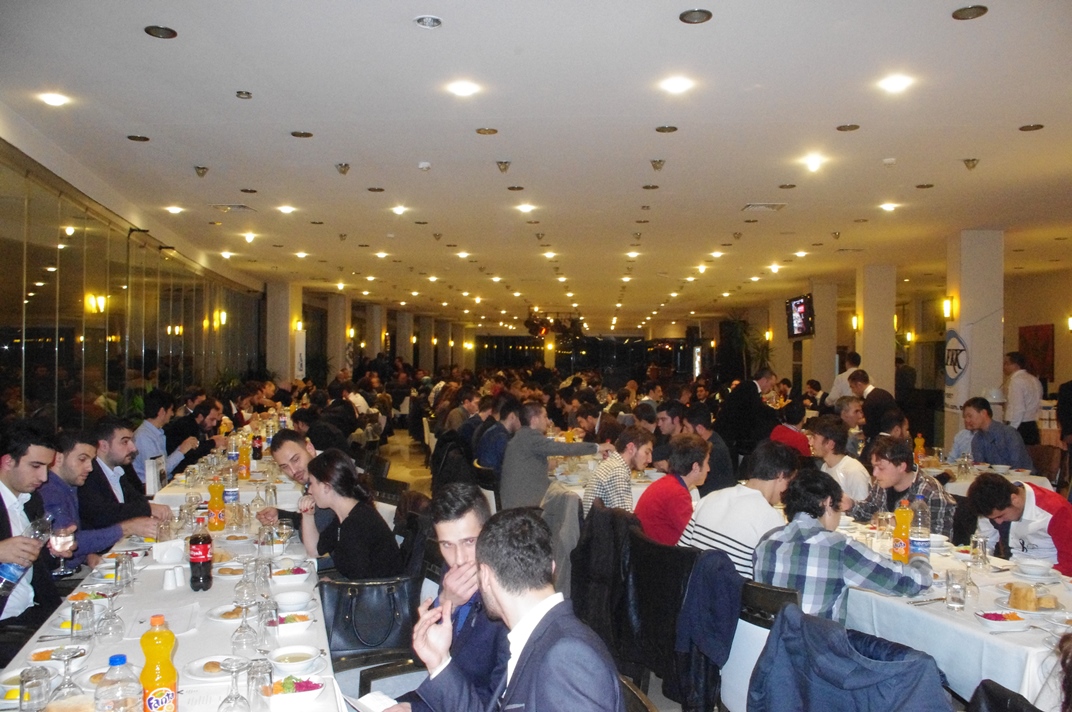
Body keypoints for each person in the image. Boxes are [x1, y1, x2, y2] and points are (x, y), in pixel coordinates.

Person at [401, 508, 624, 712]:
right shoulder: (537, 636)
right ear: (551, 567)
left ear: (484, 576)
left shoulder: (568, 656)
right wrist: (439, 662)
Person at [387, 483, 510, 712]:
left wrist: (416, 710)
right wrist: (446, 604)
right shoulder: (451, 573)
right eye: (447, 545)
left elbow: (494, 703)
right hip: (438, 694)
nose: (459, 559)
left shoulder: (508, 597)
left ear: (488, 534)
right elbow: (420, 655)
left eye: (469, 542)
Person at [753, 468, 931, 622]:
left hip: (771, 644)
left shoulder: (767, 541)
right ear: (827, 503)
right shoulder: (838, 547)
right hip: (816, 647)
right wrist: (919, 556)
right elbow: (913, 582)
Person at [39, 431, 158, 571]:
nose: (89, 468)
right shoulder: (50, 492)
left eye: (91, 461)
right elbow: (67, 541)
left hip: (80, 565)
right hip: (64, 576)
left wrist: (87, 555)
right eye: (82, 459)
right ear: (58, 459)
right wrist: (126, 528)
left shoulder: (70, 487)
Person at [0, 420, 67, 665]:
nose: (44, 477)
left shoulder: (31, 501)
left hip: (34, 609)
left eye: (47, 467)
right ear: (8, 461)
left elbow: (38, 566)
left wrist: (54, 550)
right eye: (36, 466)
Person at [679, 439, 794, 578]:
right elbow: (774, 576)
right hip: (732, 590)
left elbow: (681, 553)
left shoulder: (710, 498)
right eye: (789, 482)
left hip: (693, 587)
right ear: (781, 475)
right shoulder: (772, 520)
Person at [297, 448, 403, 580]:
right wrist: (308, 515)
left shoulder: (356, 523)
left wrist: (335, 585)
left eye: (311, 484)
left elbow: (362, 581)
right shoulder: (345, 515)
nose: (310, 491)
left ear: (326, 487)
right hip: (362, 588)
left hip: (378, 591)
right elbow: (314, 550)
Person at [500, 401, 611, 509]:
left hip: (515, 500)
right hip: (524, 507)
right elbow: (565, 448)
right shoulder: (531, 438)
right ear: (534, 420)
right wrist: (598, 447)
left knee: (561, 496)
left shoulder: (522, 435)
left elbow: (527, 464)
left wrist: (546, 464)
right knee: (567, 504)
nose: (548, 421)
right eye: (545, 417)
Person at [848, 436, 956, 538]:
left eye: (880, 468)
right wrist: (850, 505)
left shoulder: (930, 492)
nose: (874, 473)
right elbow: (868, 510)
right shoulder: (882, 483)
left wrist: (901, 526)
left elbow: (940, 537)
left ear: (901, 466)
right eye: (874, 467)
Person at [966, 472, 1072, 575]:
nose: (998, 522)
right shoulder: (992, 504)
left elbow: (1069, 563)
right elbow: (983, 547)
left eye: (1000, 516)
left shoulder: (1056, 511)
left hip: (1050, 574)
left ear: (1015, 499)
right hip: (1009, 570)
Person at [79, 416, 171, 530]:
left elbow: (137, 499)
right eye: (125, 442)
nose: (133, 448)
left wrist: (150, 508)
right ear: (104, 446)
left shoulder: (121, 468)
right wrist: (147, 509)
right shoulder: (88, 474)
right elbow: (101, 514)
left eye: (132, 441)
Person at [633, 433, 710, 545]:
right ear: (695, 467)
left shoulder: (666, 483)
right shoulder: (677, 493)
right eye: (707, 463)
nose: (708, 469)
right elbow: (695, 536)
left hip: (648, 548)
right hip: (661, 552)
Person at [713, 367, 781, 465]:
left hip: (730, 434)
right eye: (771, 385)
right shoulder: (749, 388)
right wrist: (777, 413)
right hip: (727, 435)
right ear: (764, 380)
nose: (771, 389)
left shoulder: (749, 387)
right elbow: (757, 411)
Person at [581, 426, 654, 516]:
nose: (650, 460)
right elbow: (624, 518)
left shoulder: (613, 464)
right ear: (631, 448)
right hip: (603, 524)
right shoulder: (617, 471)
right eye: (647, 452)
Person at [132, 389, 198, 483]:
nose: (172, 414)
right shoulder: (144, 437)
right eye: (171, 410)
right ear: (162, 411)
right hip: (150, 488)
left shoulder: (155, 432)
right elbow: (158, 472)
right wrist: (181, 451)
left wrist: (182, 448)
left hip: (163, 483)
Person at [808, 415, 871, 503]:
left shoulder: (853, 471)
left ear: (830, 444)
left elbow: (864, 508)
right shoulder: (825, 467)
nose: (810, 442)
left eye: (814, 438)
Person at [962, 397, 1035, 471]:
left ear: (983, 413)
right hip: (995, 477)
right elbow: (980, 467)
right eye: (965, 417)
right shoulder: (977, 438)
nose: (967, 420)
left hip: (1023, 476)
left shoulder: (1009, 433)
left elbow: (1018, 465)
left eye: (970, 416)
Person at [683, 403, 736, 496]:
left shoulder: (715, 450)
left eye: (687, 428)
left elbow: (692, 476)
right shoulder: (709, 440)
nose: (684, 432)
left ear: (700, 429)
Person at [164, 397, 227, 473]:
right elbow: (191, 454)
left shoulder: (202, 426)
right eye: (212, 419)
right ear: (200, 416)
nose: (214, 424)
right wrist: (213, 442)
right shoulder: (184, 426)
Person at [474, 396, 522, 479]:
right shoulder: (501, 437)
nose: (523, 423)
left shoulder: (494, 430)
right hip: (497, 482)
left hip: (489, 481)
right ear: (512, 416)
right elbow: (514, 466)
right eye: (521, 419)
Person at [1004, 351, 1043, 446]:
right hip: (1032, 426)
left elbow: (1019, 409)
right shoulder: (1034, 380)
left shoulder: (1016, 381)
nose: (1004, 367)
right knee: (1031, 453)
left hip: (1019, 426)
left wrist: (1011, 430)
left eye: (1007, 363)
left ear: (1016, 365)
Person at [847, 370, 896, 442]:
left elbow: (870, 430)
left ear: (859, 385)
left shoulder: (869, 402)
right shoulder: (884, 393)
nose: (852, 391)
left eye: (852, 387)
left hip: (881, 440)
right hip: (894, 433)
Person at [650, 400, 686, 468]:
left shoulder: (686, 442)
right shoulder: (661, 437)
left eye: (663, 420)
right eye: (658, 420)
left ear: (676, 420)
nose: (659, 424)